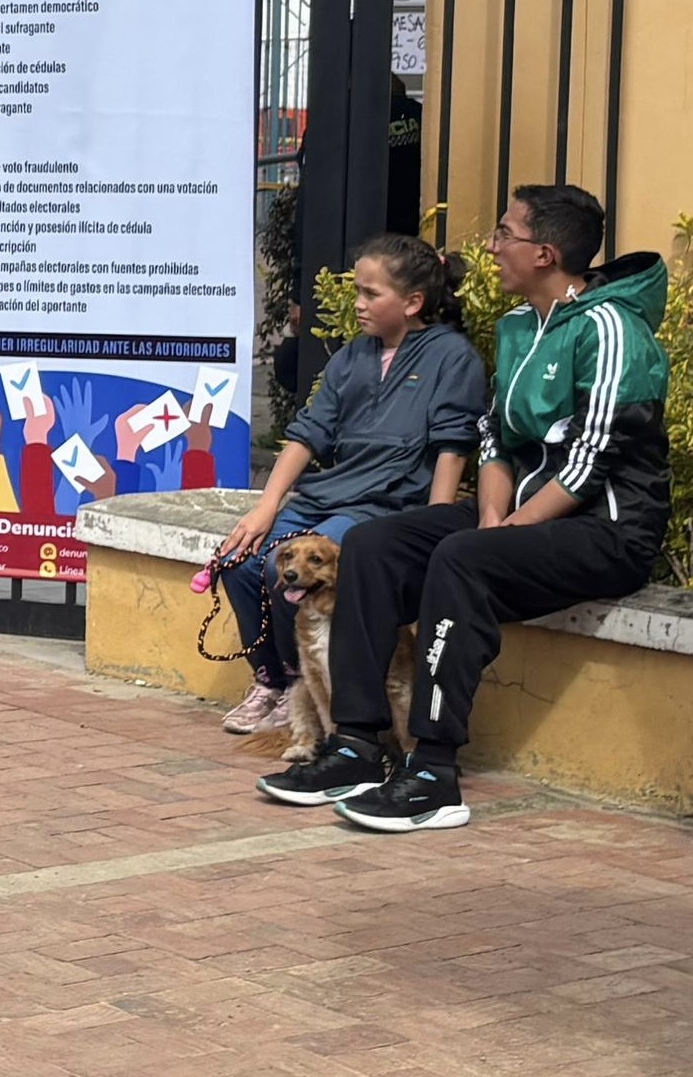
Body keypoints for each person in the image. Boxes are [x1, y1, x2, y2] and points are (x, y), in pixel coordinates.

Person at [262, 184, 670, 833]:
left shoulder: (610, 327)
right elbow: (496, 440)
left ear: (543, 253)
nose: (490, 246)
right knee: (375, 542)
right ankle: (360, 746)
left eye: (504, 233)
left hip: (605, 530)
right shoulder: (516, 328)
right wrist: (491, 521)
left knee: (461, 559)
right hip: (520, 520)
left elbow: (596, 455)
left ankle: (434, 770)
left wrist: (507, 531)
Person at [207, 236, 486, 735]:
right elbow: (307, 434)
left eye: (370, 293)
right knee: (242, 562)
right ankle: (274, 679)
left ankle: (307, 688)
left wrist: (435, 523)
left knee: (291, 565)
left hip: (384, 505)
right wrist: (265, 508)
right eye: (357, 291)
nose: (358, 304)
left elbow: (452, 446)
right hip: (327, 493)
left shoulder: (452, 357)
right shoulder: (353, 356)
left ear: (413, 302)